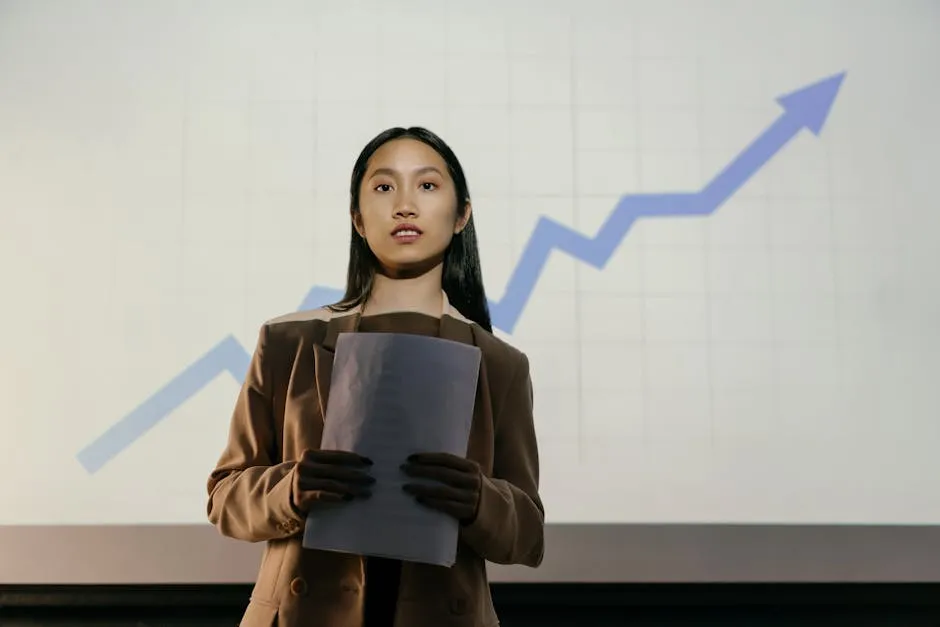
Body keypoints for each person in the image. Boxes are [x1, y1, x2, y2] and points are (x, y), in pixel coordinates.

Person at [206, 126, 545, 627]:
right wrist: (291, 488)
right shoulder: (286, 343)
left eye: (427, 186)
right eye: (384, 188)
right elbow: (224, 497)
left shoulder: (500, 364)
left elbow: (530, 535)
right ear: (357, 219)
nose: (405, 206)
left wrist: (481, 500)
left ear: (462, 214)